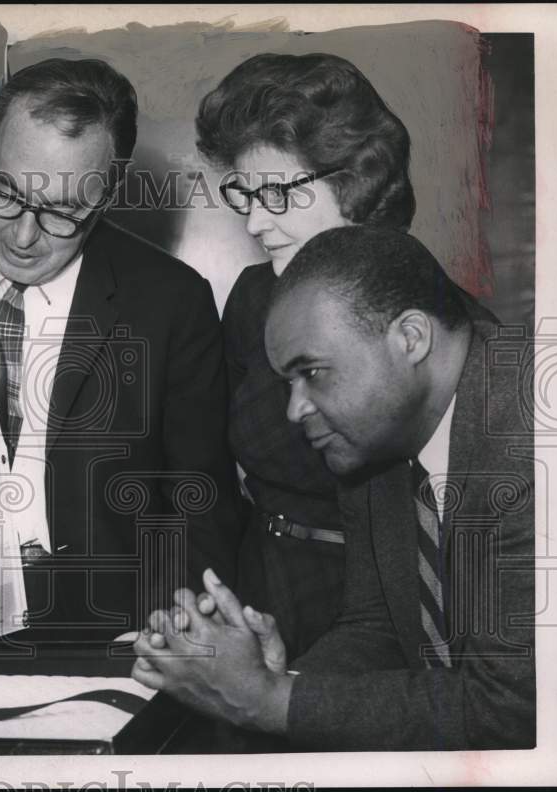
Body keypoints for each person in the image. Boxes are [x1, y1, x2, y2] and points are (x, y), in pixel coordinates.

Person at [0, 58, 240, 641]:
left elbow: (198, 506)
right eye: (4, 192)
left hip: (102, 627)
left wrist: (168, 636)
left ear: (108, 194)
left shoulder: (172, 302)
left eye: (62, 211)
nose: (23, 234)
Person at [132, 225, 535, 750]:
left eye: (313, 372)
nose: (294, 409)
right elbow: (379, 629)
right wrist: (277, 681)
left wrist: (271, 703)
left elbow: (509, 709)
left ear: (410, 338)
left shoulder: (536, 436)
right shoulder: (375, 438)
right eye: (288, 382)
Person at [195, 53, 416, 659]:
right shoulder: (253, 297)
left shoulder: (425, 315)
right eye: (245, 195)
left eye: (279, 194)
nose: (257, 222)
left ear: (354, 181)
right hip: (260, 581)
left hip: (375, 610)